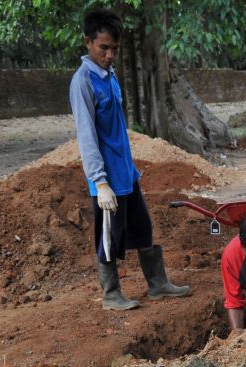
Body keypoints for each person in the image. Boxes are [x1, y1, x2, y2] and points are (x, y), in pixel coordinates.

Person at [70, 8, 190, 311]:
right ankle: (111, 294)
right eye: (104, 48)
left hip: (126, 173)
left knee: (142, 228)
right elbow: (86, 136)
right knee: (110, 237)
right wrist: (100, 181)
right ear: (88, 42)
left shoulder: (109, 76)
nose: (110, 55)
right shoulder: (83, 82)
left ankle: (158, 284)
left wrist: (129, 170)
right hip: (107, 179)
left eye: (114, 49)